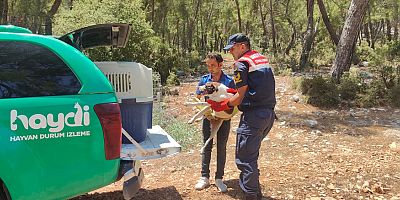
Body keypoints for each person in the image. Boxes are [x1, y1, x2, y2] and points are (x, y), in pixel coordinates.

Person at [207, 33, 276, 200]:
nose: (231, 52)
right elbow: (255, 88)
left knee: (244, 159)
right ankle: (256, 193)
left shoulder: (241, 64)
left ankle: (250, 195)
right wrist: (231, 93)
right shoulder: (260, 58)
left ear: (242, 46)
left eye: (232, 48)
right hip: (268, 114)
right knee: (251, 157)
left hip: (253, 117)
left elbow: (240, 97)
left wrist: (223, 105)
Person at [194, 53, 235, 192]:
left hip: (224, 118)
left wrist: (224, 113)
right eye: (208, 65)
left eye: (213, 65)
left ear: (220, 65)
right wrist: (206, 110)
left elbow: (234, 98)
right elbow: (198, 96)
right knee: (206, 145)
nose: (210, 68)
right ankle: (204, 177)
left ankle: (219, 178)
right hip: (208, 117)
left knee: (221, 147)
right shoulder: (204, 80)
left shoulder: (229, 81)